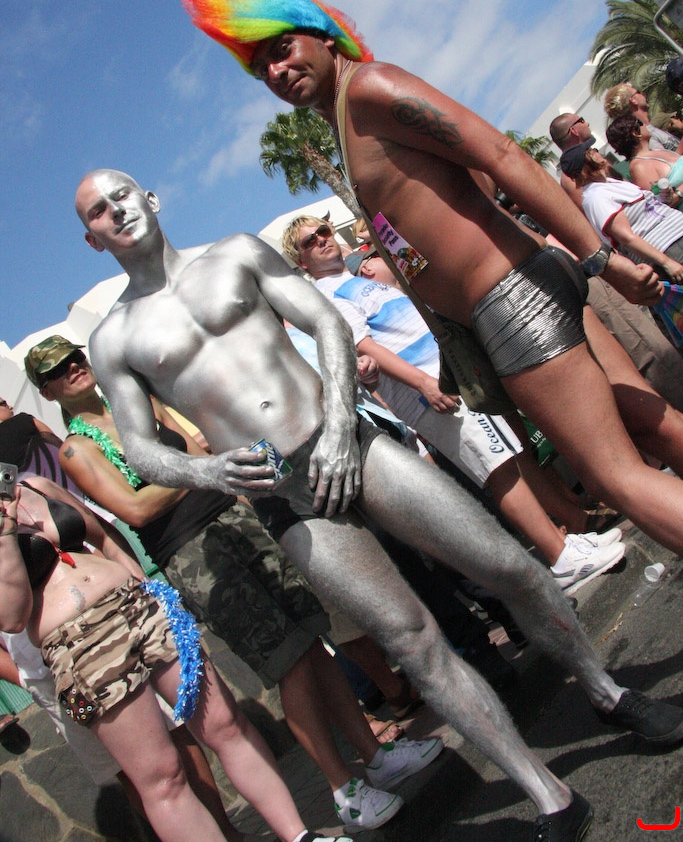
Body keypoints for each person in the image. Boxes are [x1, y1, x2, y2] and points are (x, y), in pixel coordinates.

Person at [76, 167, 683, 842]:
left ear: (150, 197)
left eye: (121, 195)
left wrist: (340, 420)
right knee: (411, 640)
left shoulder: (236, 253)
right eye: (98, 211)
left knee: (505, 564)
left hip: (350, 443)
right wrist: (207, 469)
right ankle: (549, 795)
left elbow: (326, 323)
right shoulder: (114, 338)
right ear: (92, 239)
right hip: (287, 497)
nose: (116, 211)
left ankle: (607, 693)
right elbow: (140, 447)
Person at [180, 0, 683, 558]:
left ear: (321, 33)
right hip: (513, 295)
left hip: (512, 303)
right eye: (261, 68)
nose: (277, 70)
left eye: (282, 49)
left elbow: (499, 153)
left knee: (614, 476)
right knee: (649, 420)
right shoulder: (349, 120)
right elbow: (456, 198)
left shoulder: (368, 89)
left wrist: (601, 257)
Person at [23, 334, 437, 830]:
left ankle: (374, 755)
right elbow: (133, 508)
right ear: (46, 391)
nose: (72, 368)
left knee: (312, 638)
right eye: (57, 371)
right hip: (190, 551)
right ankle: (341, 788)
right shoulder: (77, 449)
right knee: (287, 661)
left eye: (74, 358)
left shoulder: (138, 405)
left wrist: (199, 473)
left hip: (233, 517)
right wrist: (199, 470)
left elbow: (195, 447)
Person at [281, 213, 625, 594]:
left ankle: (562, 542)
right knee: (497, 468)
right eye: (309, 241)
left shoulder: (353, 281)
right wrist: (424, 383)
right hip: (427, 386)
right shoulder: (328, 297)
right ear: (301, 261)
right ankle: (559, 556)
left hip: (444, 374)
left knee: (507, 458)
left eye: (323, 231)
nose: (322, 240)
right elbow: (365, 347)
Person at [0, 471, 339, 842]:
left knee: (224, 722)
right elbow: (12, 616)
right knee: (163, 776)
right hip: (82, 647)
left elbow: (103, 536)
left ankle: (299, 836)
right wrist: (6, 532)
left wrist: (140, 581)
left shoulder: (32, 486)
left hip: (137, 605)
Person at [0, 629, 242, 841]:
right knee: (126, 768)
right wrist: (27, 678)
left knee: (174, 735)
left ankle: (227, 833)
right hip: (51, 680)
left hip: (100, 640)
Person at [561, 137, 683, 283]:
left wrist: (663, 196)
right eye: (591, 152)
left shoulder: (609, 184)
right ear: (586, 165)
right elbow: (626, 238)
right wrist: (667, 263)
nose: (597, 152)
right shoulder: (596, 198)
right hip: (669, 248)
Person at [605, 115, 682, 201]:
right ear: (635, 133)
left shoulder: (655, 151)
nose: (645, 125)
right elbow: (662, 203)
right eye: (640, 123)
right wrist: (680, 192)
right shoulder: (639, 167)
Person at [603, 83, 683, 155]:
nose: (642, 94)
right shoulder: (645, 136)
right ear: (633, 100)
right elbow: (668, 162)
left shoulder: (649, 130)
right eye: (638, 92)